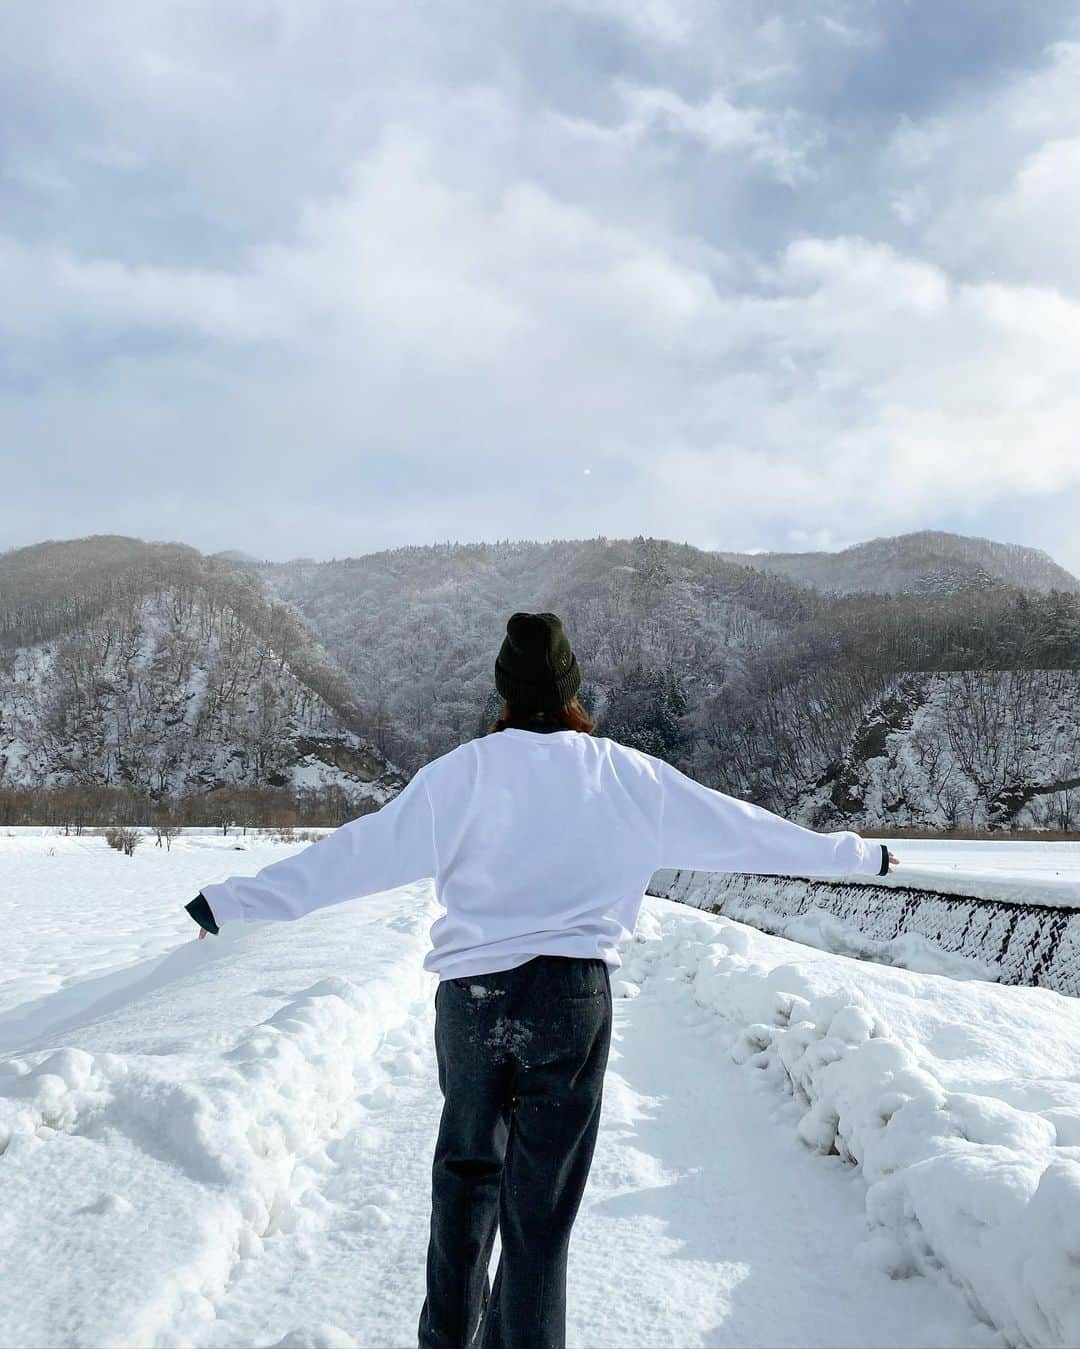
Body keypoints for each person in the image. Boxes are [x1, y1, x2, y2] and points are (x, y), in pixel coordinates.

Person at [185, 611, 899, 1349]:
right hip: (572, 1001)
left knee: (464, 1180)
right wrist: (858, 856)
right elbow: (747, 830)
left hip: (472, 1003)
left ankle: (447, 1338)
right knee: (539, 1213)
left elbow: (352, 856)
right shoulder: (627, 775)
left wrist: (233, 900)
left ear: (503, 690)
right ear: (570, 690)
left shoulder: (461, 774)